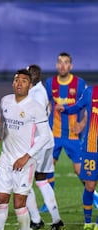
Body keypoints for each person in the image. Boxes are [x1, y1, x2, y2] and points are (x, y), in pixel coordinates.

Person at [0, 69, 52, 230]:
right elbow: (2, 126)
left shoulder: (36, 107)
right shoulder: (5, 101)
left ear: (30, 85)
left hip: (25, 163)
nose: (19, 83)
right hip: (6, 159)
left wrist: (25, 157)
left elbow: (44, 136)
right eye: (17, 80)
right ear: (13, 83)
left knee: (19, 203)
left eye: (24, 80)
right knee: (1, 199)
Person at [44, 52, 88, 207]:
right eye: (60, 62)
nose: (62, 65)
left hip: (73, 135)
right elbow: (47, 105)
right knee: (47, 167)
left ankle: (93, 197)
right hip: (53, 134)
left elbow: (89, 105)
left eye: (66, 62)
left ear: (71, 66)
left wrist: (82, 124)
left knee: (79, 171)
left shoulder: (79, 83)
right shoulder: (50, 83)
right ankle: (48, 203)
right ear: (56, 65)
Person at [26, 64, 64, 230]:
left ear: (36, 76)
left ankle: (35, 219)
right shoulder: (38, 91)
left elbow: (35, 119)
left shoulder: (36, 94)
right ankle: (55, 221)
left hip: (38, 143)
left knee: (22, 181)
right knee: (41, 180)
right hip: (45, 141)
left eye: (30, 74)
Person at [56, 85, 98, 230]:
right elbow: (77, 106)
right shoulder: (91, 92)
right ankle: (88, 224)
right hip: (91, 149)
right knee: (90, 186)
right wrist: (65, 109)